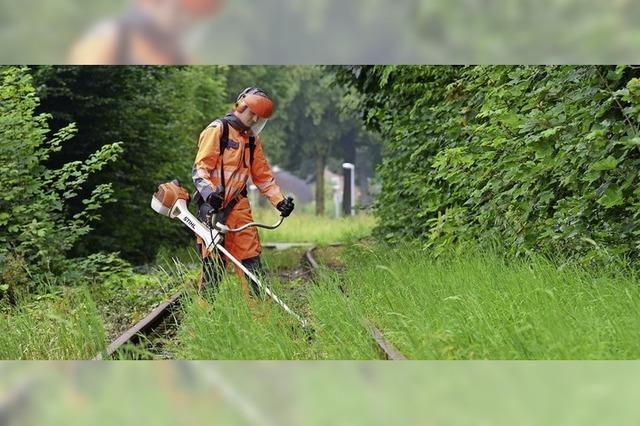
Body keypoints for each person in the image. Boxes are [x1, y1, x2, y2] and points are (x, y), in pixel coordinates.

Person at [192, 87, 295, 299]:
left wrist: (280, 202)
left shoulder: (252, 141)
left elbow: (264, 178)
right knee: (214, 266)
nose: (255, 119)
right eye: (253, 113)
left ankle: (261, 318)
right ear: (241, 105)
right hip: (211, 208)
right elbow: (200, 170)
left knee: (252, 264)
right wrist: (210, 194)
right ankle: (203, 319)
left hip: (238, 207)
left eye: (260, 116)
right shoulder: (217, 130)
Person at [68, 0, 221, 64]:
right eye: (180, 11)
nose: (185, 21)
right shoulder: (108, 40)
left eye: (192, 15)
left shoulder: (184, 58)